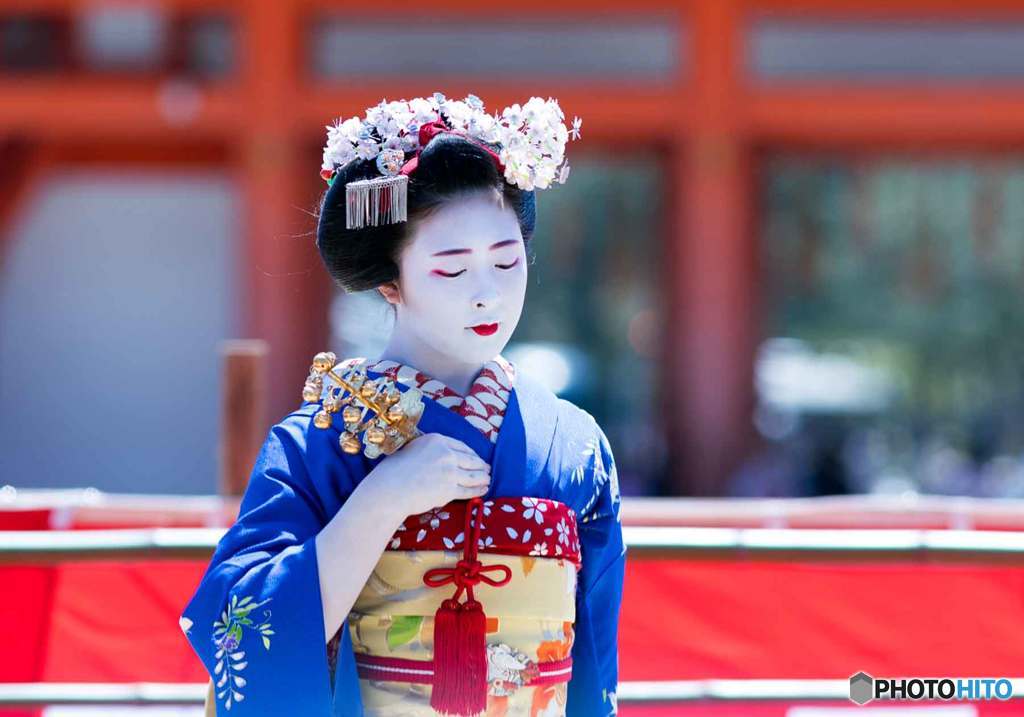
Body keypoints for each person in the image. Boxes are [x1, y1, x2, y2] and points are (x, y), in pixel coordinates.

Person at [179, 92, 625, 716]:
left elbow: (594, 667)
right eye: (451, 270)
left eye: (507, 261)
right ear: (390, 280)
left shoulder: (575, 441)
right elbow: (240, 629)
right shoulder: (322, 441)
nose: (488, 294)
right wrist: (381, 502)